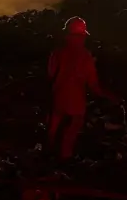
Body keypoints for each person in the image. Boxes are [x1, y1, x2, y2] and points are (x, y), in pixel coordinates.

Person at [47, 17, 118, 160]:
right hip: (76, 101)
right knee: (73, 127)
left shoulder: (57, 53)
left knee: (53, 127)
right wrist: (109, 97)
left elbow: (50, 75)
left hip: (57, 97)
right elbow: (93, 84)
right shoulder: (85, 56)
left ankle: (48, 154)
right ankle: (65, 158)